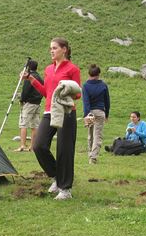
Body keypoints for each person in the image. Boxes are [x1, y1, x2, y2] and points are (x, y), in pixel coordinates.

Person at [23, 37, 81, 200]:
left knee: (64, 150)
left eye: (54, 48)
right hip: (49, 112)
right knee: (38, 145)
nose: (51, 51)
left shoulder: (73, 69)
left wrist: (66, 90)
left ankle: (65, 189)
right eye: (50, 48)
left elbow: (77, 94)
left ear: (64, 50)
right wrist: (30, 79)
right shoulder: (48, 69)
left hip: (66, 112)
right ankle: (56, 177)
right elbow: (46, 92)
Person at [82, 64, 110, 164]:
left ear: (89, 74)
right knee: (97, 135)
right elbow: (107, 101)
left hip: (90, 112)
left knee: (90, 135)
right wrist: (107, 114)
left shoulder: (85, 86)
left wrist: (86, 114)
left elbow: (86, 102)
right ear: (98, 74)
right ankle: (93, 157)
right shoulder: (103, 85)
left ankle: (90, 154)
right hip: (100, 112)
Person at [16, 59, 43, 151]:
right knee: (34, 125)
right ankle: (32, 146)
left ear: (28, 67)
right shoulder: (39, 77)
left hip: (29, 103)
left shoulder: (29, 77)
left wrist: (22, 100)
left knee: (23, 124)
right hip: (37, 103)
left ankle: (22, 145)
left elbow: (25, 90)